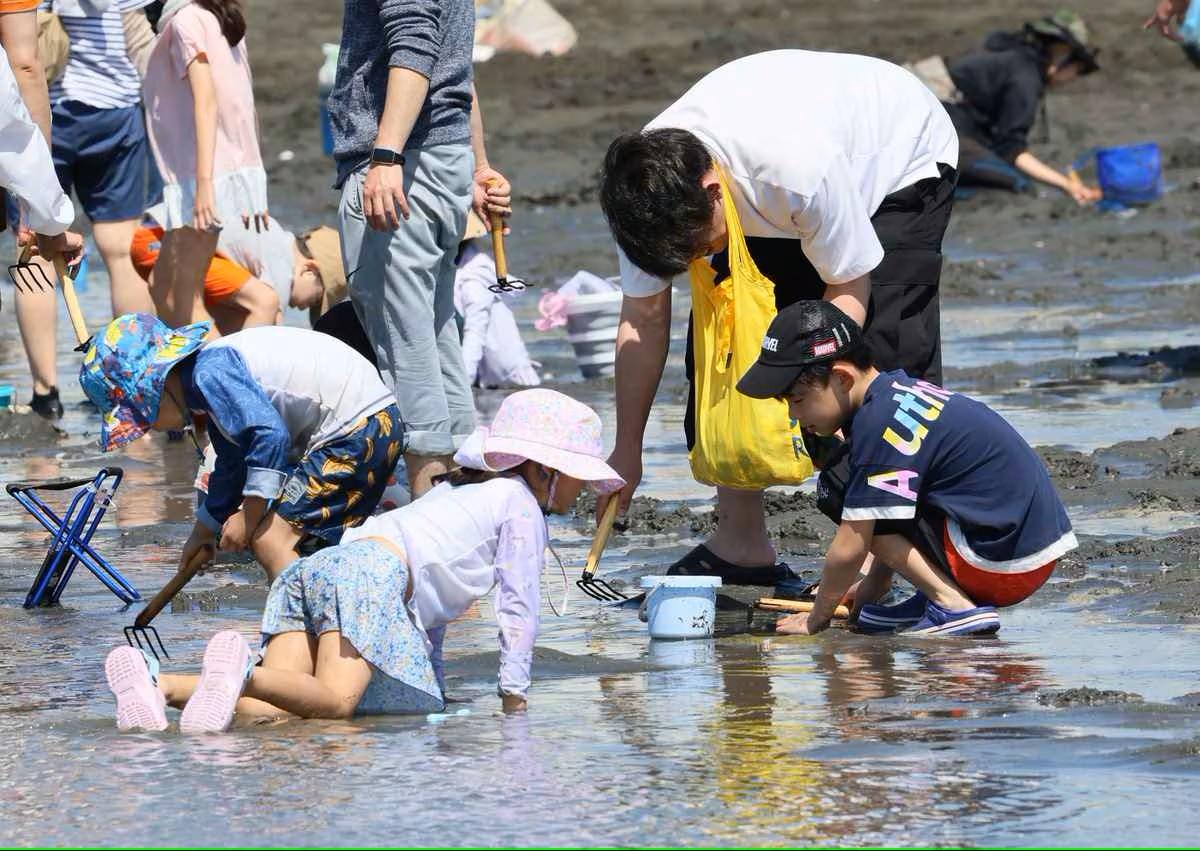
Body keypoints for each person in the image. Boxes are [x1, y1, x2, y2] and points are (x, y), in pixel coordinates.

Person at [597, 50, 959, 585]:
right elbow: (643, 322)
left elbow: (849, 287)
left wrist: (821, 399)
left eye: (700, 246)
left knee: (878, 348)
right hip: (774, 172)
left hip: (898, 155)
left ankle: (874, 554)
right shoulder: (644, 198)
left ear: (712, 193)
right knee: (729, 332)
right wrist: (627, 447)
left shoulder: (796, 171)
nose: (696, 261)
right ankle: (741, 544)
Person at [100, 388, 625, 731]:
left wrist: (433, 683)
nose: (582, 488)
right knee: (338, 703)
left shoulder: (456, 493)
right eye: (577, 473)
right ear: (542, 469)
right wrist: (515, 703)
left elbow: (427, 619)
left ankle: (159, 684)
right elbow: (517, 611)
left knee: (275, 712)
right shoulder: (520, 509)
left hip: (320, 567)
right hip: (368, 576)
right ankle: (243, 669)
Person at [737, 301, 1078, 637]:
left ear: (841, 377)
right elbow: (895, 510)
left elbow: (850, 546)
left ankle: (952, 605)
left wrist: (817, 615)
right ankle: (933, 595)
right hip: (1025, 547)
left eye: (797, 400)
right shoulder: (895, 392)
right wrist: (871, 589)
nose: (794, 416)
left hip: (998, 563)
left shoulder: (877, 425)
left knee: (840, 485)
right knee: (876, 491)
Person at [330, 0, 511, 498]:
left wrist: (385, 155)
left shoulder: (393, 156)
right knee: (433, 334)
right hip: (441, 155)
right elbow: (455, 67)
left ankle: (433, 507)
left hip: (403, 159)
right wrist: (477, 165)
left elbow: (414, 45)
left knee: (404, 343)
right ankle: (466, 502)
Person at [78, 312, 402, 583]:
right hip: (372, 421)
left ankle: (294, 641)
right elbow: (233, 465)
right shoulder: (206, 380)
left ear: (157, 387)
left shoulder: (210, 373)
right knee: (317, 545)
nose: (151, 428)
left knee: (270, 540)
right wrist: (204, 530)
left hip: (353, 429)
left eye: (144, 418)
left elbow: (270, 436)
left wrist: (249, 517)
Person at [142, 0, 268, 328]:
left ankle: (218, 377)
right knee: (161, 286)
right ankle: (195, 374)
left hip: (202, 176)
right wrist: (252, 181)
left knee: (186, 301)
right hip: (218, 170)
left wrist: (204, 185)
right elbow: (243, 103)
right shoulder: (218, 18)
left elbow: (207, 101)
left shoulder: (186, 22)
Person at [917, 9, 1102, 202]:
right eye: (1078, 70)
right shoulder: (1025, 78)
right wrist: (1068, 185)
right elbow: (1011, 150)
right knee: (1015, 184)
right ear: (1062, 54)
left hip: (911, 109)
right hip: (922, 123)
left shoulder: (1006, 49)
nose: (1073, 78)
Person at [129, 220, 347, 334]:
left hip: (149, 238)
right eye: (316, 299)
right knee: (265, 304)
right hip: (161, 241)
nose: (306, 307)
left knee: (238, 320)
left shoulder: (272, 239)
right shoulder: (281, 262)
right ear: (309, 269)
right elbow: (275, 329)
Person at [454, 211, 540, 388]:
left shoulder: (475, 277)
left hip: (508, 382)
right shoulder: (457, 269)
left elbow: (474, 333)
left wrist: (462, 387)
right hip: (484, 374)